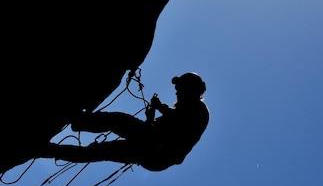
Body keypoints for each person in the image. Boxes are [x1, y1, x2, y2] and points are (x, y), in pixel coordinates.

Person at [38, 73, 210, 171]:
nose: (177, 92)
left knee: (117, 121)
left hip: (156, 150)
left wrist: (160, 107)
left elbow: (179, 125)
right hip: (155, 153)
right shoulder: (188, 111)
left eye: (180, 89)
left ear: (190, 89)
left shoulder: (199, 111)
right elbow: (170, 130)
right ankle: (50, 150)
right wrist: (151, 117)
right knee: (101, 151)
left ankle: (79, 121)